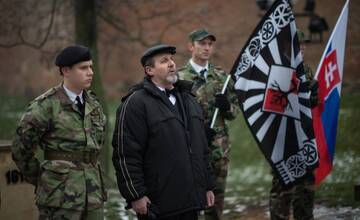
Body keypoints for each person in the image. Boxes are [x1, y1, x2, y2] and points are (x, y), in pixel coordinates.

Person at [112, 44, 215, 220]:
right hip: (158, 204)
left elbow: (201, 148)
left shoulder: (189, 99)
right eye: (164, 61)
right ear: (149, 70)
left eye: (172, 59)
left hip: (191, 201)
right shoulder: (136, 103)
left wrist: (206, 185)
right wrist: (136, 194)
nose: (172, 64)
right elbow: (126, 154)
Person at [11, 45, 107, 219]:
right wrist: (45, 180)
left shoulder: (94, 104)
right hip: (59, 197)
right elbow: (20, 149)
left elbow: (98, 144)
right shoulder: (45, 105)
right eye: (83, 68)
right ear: (66, 71)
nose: (90, 72)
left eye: (91, 67)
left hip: (93, 195)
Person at [178, 28, 239, 220]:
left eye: (210, 44)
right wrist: (195, 131)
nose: (206, 48)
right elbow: (173, 116)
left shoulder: (221, 77)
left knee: (216, 205)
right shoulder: (179, 78)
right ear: (190, 46)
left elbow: (234, 113)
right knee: (191, 203)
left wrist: (227, 106)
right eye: (202, 44)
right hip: (190, 151)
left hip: (218, 151)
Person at [269, 30, 318, 220]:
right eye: (299, 44)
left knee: (305, 186)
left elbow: (310, 107)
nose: (302, 47)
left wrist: (313, 96)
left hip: (303, 136)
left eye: (304, 44)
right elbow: (273, 105)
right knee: (282, 187)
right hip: (282, 138)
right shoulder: (277, 69)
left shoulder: (306, 71)